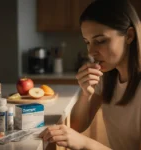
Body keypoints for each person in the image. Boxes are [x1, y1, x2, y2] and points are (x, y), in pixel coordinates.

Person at [39, 0, 141, 149]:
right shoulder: (107, 77)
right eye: (87, 42)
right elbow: (75, 127)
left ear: (129, 36)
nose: (91, 52)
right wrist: (86, 94)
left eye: (100, 41)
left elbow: (77, 137)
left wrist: (85, 143)